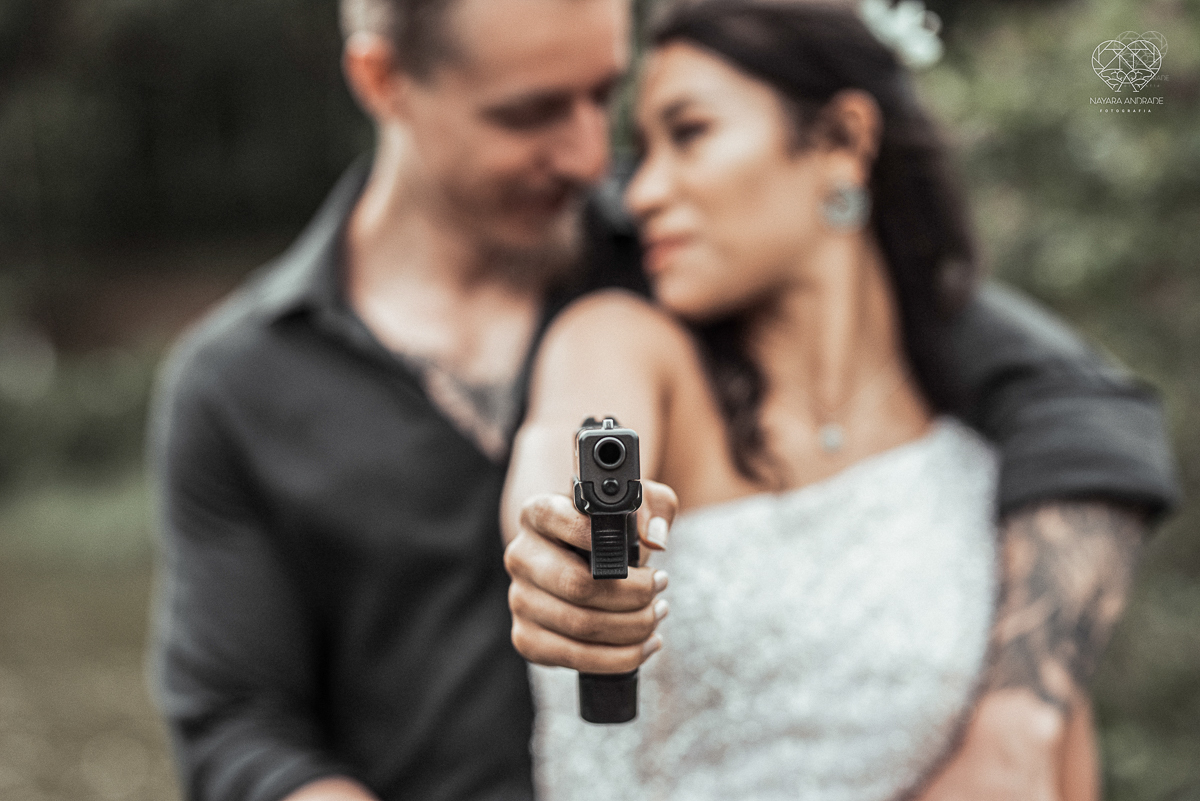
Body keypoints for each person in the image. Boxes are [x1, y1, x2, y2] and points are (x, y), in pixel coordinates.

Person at [147, 0, 1176, 800]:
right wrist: (562, 540)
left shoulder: (673, 253)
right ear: (384, 81)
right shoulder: (238, 384)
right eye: (531, 113)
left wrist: (1020, 722)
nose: (602, 161)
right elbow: (237, 721)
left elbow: (1084, 407)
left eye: (603, 94)